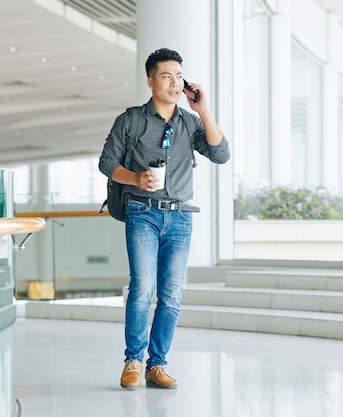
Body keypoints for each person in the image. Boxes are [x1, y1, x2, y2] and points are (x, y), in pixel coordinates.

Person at [98, 47, 230, 390]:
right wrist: (137, 179)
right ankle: (133, 361)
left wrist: (203, 109)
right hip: (141, 212)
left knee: (171, 295)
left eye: (179, 76)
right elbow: (107, 163)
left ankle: (157, 365)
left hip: (181, 218)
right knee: (142, 288)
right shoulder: (131, 120)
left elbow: (220, 154)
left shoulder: (190, 122)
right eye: (166, 76)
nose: (174, 83)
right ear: (150, 81)